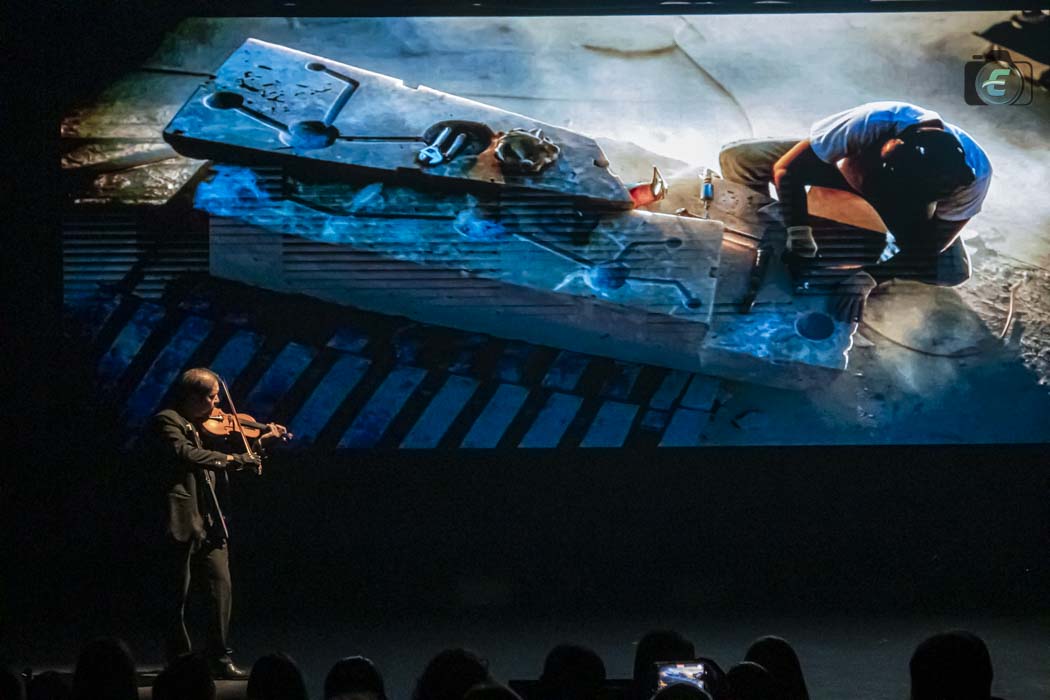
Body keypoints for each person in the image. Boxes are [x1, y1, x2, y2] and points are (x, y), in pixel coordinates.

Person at [719, 101, 991, 320]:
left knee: (951, 270)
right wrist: (798, 230)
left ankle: (867, 266)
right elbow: (787, 169)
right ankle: (763, 231)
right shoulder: (870, 121)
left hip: (905, 213)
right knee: (740, 158)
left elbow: (931, 246)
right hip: (844, 175)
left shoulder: (975, 177)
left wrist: (869, 278)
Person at [150, 367, 286, 680]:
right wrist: (234, 460)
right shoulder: (168, 420)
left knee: (220, 588)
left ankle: (219, 657)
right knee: (177, 595)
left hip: (210, 518)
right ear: (192, 397)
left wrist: (261, 443)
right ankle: (180, 662)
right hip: (182, 519)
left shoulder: (209, 426)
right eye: (212, 397)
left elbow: (239, 459)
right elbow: (187, 453)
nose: (218, 405)